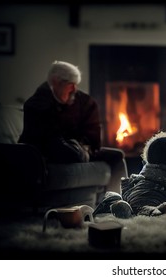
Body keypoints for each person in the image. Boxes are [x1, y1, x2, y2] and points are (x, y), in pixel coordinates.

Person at [18, 60, 125, 194]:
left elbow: (92, 137)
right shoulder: (37, 106)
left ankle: (117, 201)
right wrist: (79, 149)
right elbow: (54, 144)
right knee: (73, 153)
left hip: (80, 150)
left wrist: (85, 147)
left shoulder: (81, 101)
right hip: (55, 154)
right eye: (71, 84)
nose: (75, 89)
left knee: (116, 156)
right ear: (55, 82)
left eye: (76, 85)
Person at [93, 131, 166, 218]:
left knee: (115, 197)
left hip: (134, 195)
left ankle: (115, 204)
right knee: (154, 210)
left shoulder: (146, 170)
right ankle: (141, 211)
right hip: (155, 199)